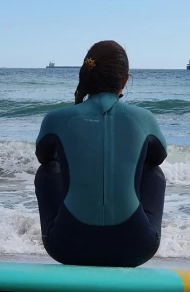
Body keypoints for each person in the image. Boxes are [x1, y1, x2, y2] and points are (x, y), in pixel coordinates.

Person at [34, 40, 167, 267]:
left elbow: (43, 156)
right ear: (125, 80)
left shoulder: (55, 119)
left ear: (86, 74)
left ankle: (69, 223)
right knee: (153, 170)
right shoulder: (144, 119)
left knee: (48, 169)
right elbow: (158, 157)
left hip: (66, 246)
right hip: (136, 247)